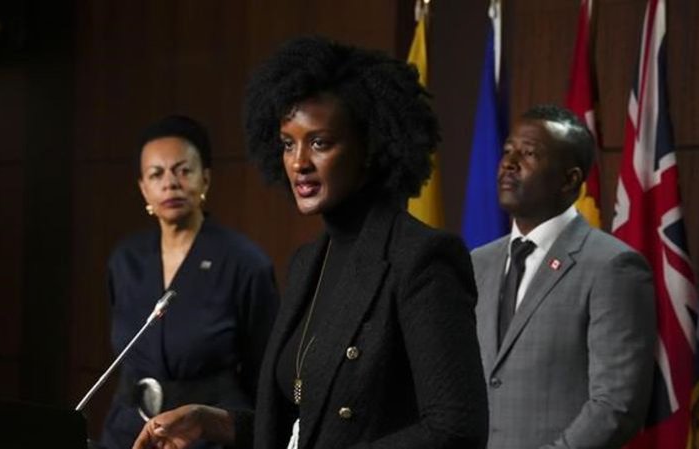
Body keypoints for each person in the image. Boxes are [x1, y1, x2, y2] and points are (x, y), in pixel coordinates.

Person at [133, 36, 488, 449]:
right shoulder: (307, 262)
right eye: (288, 144)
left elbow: (456, 429)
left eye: (319, 142)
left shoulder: (422, 258)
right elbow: (304, 426)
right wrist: (211, 422)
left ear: (370, 147)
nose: (298, 162)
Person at [471, 104, 656, 449]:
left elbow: (616, 406)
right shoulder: (477, 264)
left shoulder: (613, 267)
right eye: (508, 150)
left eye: (528, 153)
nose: (509, 163)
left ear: (569, 179)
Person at [100, 115, 280, 449]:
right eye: (156, 174)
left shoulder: (244, 261)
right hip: (128, 431)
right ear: (143, 188)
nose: (170, 183)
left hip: (206, 434)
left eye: (183, 170)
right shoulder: (125, 259)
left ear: (205, 178)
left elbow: (265, 372)